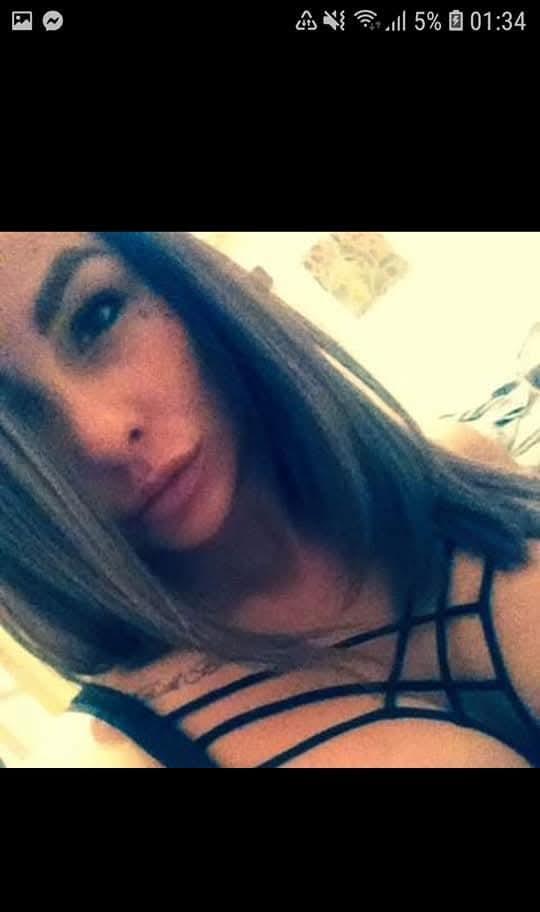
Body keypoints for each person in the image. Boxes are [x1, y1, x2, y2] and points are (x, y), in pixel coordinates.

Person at [0, 231, 539, 768]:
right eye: (14, 429)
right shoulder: (122, 753)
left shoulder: (462, 473)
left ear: (177, 278)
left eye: (97, 317)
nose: (103, 434)